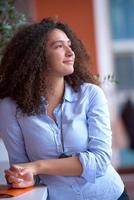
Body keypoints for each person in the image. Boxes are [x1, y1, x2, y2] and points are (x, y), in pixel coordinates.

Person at [0, 18, 129, 200]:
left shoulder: (91, 94)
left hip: (109, 195)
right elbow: (22, 166)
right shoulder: (10, 108)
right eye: (59, 46)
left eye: (70, 45)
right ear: (36, 56)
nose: (70, 52)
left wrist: (37, 167)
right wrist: (23, 177)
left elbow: (100, 160)